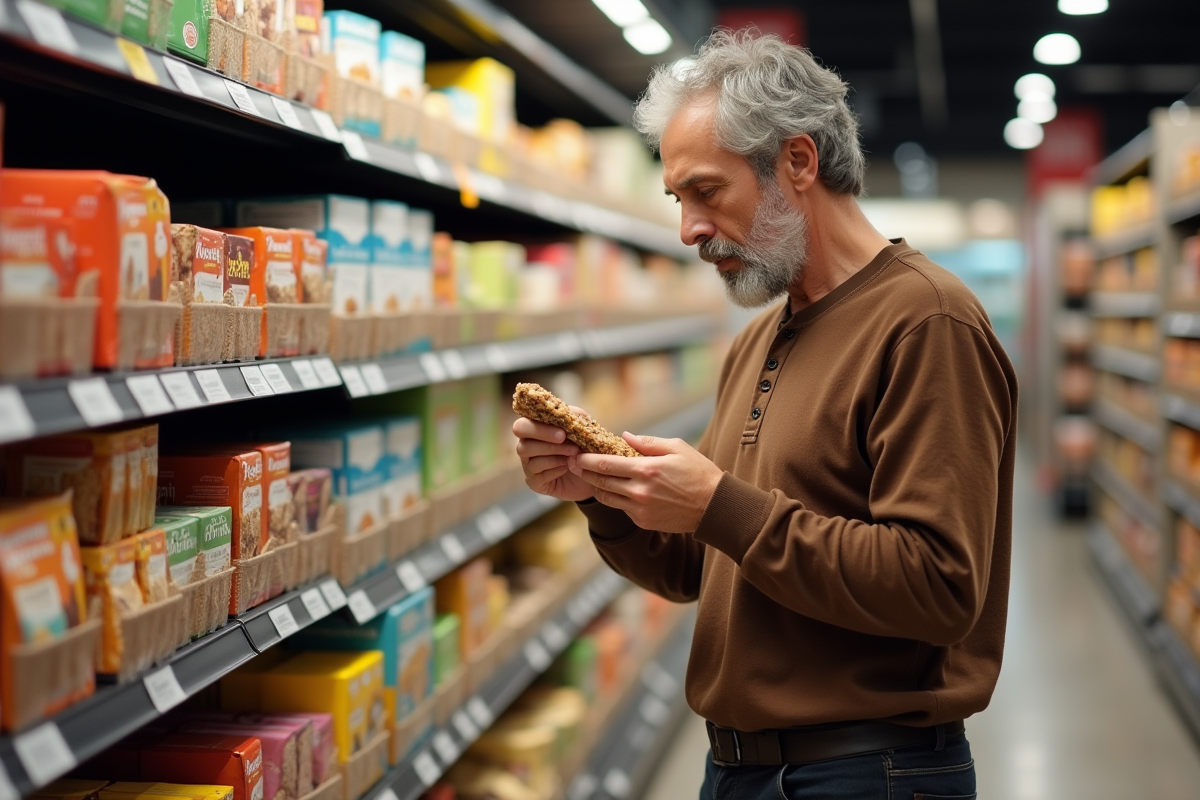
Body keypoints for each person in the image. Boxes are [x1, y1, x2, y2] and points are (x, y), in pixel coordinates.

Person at [513, 28, 1016, 800]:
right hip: (742, 770)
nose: (689, 230)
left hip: (869, 771)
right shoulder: (758, 341)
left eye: (708, 192)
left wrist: (721, 503)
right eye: (678, 200)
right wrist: (599, 494)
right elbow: (695, 567)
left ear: (798, 162)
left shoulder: (926, 320)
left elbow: (940, 588)